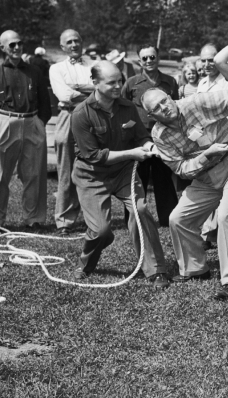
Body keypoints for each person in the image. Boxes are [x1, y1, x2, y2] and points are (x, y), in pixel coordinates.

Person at [143, 86, 228, 300]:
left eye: (164, 101)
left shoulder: (195, 102)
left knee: (226, 216)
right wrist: (206, 156)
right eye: (156, 108)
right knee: (178, 218)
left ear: (170, 97)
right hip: (204, 176)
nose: (164, 108)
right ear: (150, 115)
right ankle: (196, 270)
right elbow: (180, 169)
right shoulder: (159, 135)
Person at [70, 61, 169, 287]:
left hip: (124, 173)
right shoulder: (81, 113)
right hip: (92, 176)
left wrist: (149, 146)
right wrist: (132, 153)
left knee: (141, 209)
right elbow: (94, 156)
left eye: (120, 81)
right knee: (102, 231)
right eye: (111, 82)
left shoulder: (127, 107)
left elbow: (140, 136)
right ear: (95, 83)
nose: (118, 86)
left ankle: (156, 271)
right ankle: (85, 264)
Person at [121, 46, 180, 226]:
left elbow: (176, 106)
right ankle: (134, 218)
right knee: (138, 179)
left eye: (152, 57)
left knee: (164, 178)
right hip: (139, 139)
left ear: (158, 58)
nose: (148, 61)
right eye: (144, 58)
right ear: (139, 61)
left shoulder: (169, 81)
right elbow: (123, 106)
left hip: (164, 138)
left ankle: (167, 217)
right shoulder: (132, 83)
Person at [0, 30, 51, 230]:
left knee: (34, 174)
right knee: (1, 174)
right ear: (3, 48)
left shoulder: (34, 71)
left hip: (32, 122)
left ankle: (34, 219)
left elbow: (45, 102)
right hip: (6, 122)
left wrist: (40, 122)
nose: (16, 48)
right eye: (11, 45)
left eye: (19, 43)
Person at [49, 29, 94, 234]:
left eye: (77, 40)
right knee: (66, 169)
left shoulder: (94, 65)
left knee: (90, 166)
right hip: (68, 116)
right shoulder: (56, 68)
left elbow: (102, 88)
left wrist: (80, 88)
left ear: (82, 42)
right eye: (69, 42)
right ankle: (64, 220)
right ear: (63, 47)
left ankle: (92, 218)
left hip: (91, 117)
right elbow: (64, 94)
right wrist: (89, 91)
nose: (74, 45)